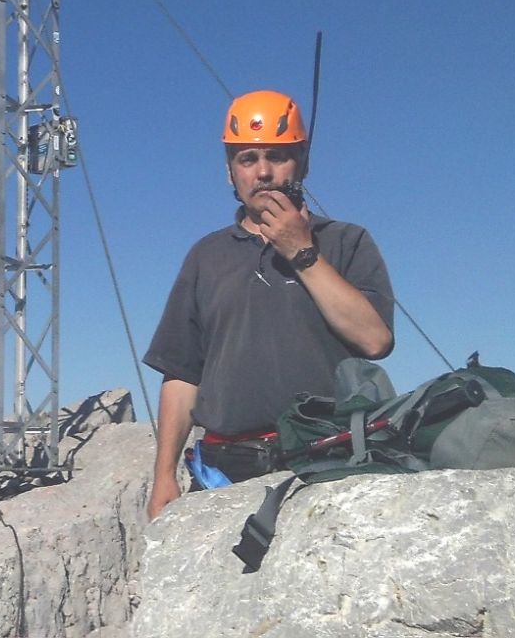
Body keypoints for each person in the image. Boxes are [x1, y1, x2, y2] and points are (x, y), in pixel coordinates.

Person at [143, 89, 395, 520]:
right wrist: (163, 474)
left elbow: (374, 340)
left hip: (329, 460)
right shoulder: (207, 256)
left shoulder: (345, 241)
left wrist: (302, 252)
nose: (262, 171)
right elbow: (183, 373)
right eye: (247, 158)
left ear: (303, 163)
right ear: (230, 173)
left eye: (277, 156)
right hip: (227, 469)